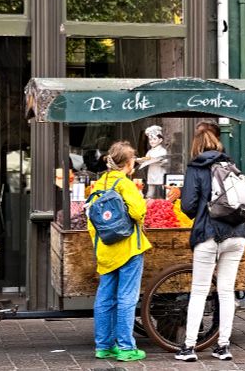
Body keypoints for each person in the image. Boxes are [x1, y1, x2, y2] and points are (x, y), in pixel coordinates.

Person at [176, 120, 245, 361]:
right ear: (218, 140)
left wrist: (197, 212)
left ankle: (189, 348)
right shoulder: (231, 164)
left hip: (208, 233)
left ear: (196, 143)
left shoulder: (196, 168)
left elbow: (187, 205)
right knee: (226, 291)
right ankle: (223, 346)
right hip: (237, 233)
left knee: (199, 291)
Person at [88, 141, 151, 362]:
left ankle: (103, 346)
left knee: (105, 297)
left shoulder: (99, 184)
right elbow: (138, 210)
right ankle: (125, 348)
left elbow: (91, 219)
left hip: (105, 250)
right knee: (127, 298)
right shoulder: (124, 184)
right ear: (128, 163)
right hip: (128, 248)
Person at [138, 125, 169, 199]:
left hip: (160, 172)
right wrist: (140, 160)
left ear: (160, 140)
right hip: (152, 172)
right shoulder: (149, 151)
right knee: (150, 192)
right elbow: (146, 159)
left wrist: (163, 161)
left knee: (164, 190)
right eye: (150, 139)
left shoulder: (163, 151)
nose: (152, 141)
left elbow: (166, 160)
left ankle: (166, 203)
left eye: (154, 139)